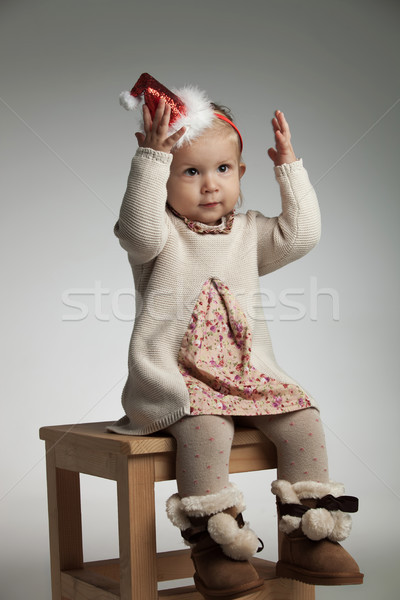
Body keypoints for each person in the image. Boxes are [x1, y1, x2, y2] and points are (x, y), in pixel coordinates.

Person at [110, 73, 363, 599]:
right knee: (209, 431)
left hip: (248, 377)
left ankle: (306, 535)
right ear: (163, 178)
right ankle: (214, 546)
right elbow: (134, 229)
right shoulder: (159, 234)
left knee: (304, 420)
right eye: (190, 171)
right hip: (179, 379)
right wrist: (151, 160)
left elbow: (303, 235)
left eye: (223, 170)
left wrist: (289, 168)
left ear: (241, 173)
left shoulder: (249, 233)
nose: (209, 184)